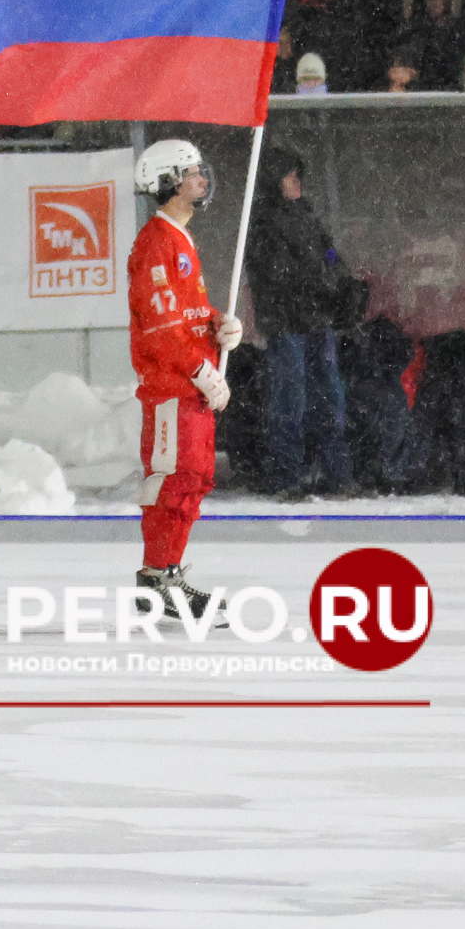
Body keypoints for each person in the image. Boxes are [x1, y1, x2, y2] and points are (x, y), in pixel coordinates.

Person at [128, 139, 243, 615]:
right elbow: (159, 328)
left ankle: (168, 572)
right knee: (173, 481)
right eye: (193, 172)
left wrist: (217, 324)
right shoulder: (156, 241)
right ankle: (156, 579)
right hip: (175, 386)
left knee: (193, 480)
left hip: (191, 386)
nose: (202, 180)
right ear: (170, 182)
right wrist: (200, 370)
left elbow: (185, 311)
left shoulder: (179, 237)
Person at [243, 152, 359, 500]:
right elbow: (280, 275)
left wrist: (337, 277)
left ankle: (336, 473)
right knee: (290, 400)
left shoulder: (306, 214)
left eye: (298, 177)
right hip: (287, 324)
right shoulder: (264, 222)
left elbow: (329, 255)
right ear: (275, 181)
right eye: (290, 177)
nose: (297, 184)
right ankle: (286, 476)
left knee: (329, 399)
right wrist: (326, 281)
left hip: (315, 320)